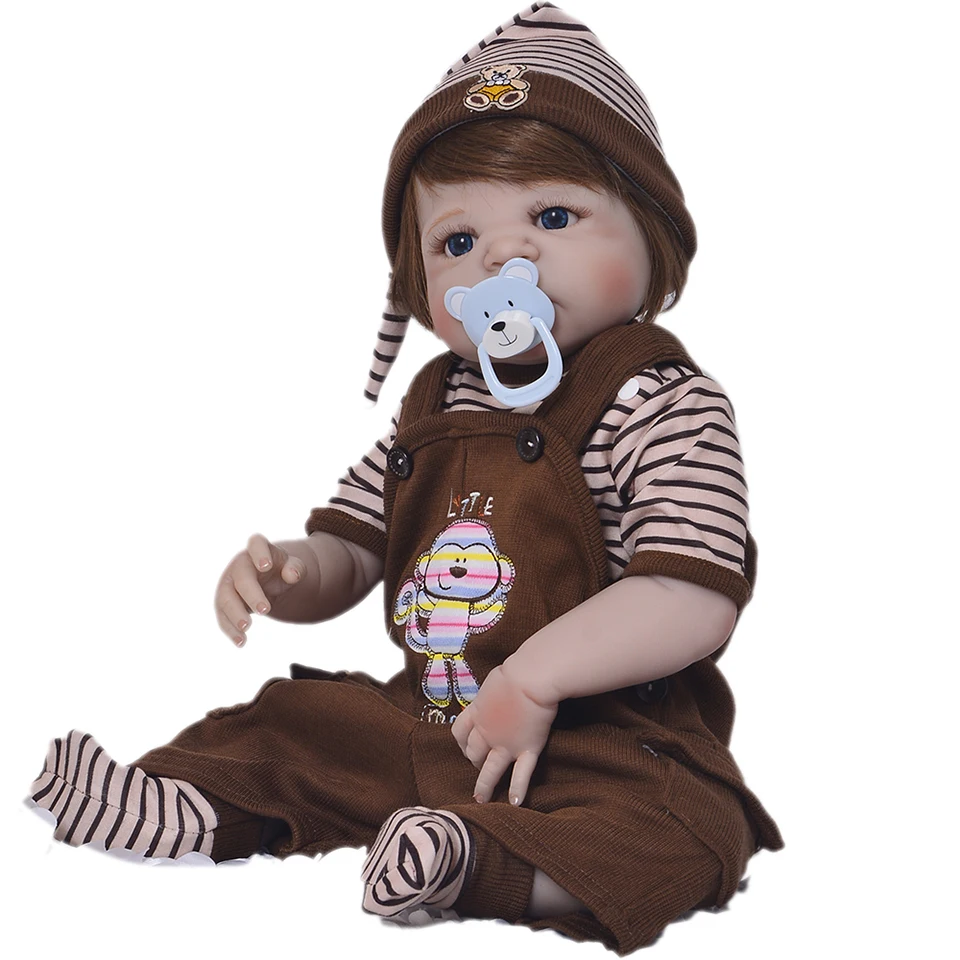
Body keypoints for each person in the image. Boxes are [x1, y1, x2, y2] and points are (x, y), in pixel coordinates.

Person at [28, 5, 783, 953]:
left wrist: (537, 678)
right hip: (433, 712)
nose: (506, 257)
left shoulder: (662, 403)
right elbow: (358, 544)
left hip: (605, 742)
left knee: (684, 831)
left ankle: (479, 862)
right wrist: (295, 572)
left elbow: (691, 594)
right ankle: (189, 802)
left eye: (553, 216)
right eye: (458, 242)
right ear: (420, 289)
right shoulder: (436, 402)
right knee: (297, 724)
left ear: (652, 233)